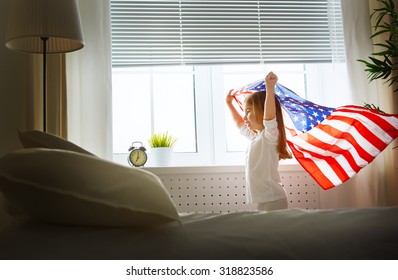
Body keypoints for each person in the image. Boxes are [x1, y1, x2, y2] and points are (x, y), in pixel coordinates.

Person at [226, 71, 292, 211]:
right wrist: (229, 104)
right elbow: (240, 124)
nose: (245, 117)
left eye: (248, 111)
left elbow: (269, 116)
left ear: (261, 112)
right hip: (265, 198)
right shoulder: (256, 138)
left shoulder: (269, 136)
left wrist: (269, 88)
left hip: (272, 198)